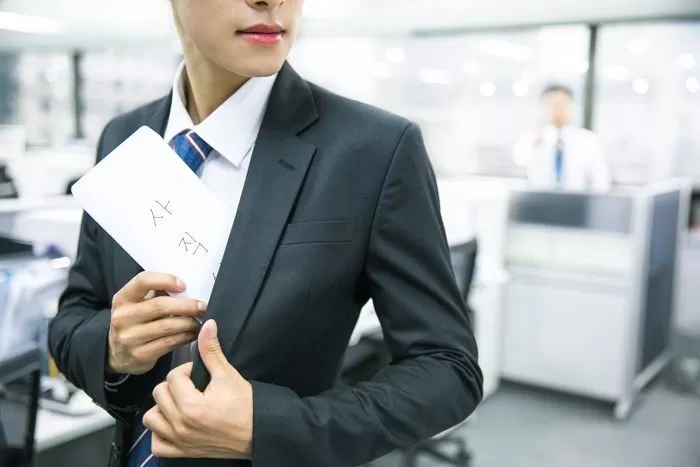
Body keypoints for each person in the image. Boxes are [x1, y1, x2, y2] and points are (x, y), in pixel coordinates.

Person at [48, 1, 483, 467]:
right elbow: (74, 316)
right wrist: (113, 348)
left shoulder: (373, 150)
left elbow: (447, 369)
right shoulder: (124, 137)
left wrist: (271, 426)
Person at [513, 84, 612, 192]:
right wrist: (534, 144)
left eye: (561, 104)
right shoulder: (532, 138)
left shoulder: (588, 140)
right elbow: (519, 160)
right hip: (540, 202)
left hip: (576, 203)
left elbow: (601, 181)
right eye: (549, 105)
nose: (556, 109)